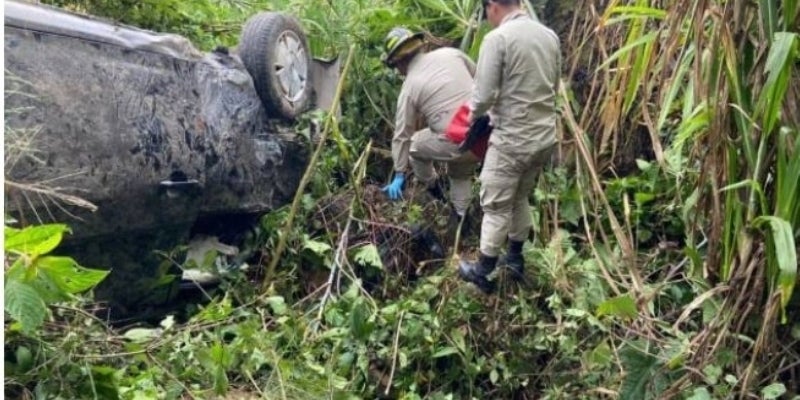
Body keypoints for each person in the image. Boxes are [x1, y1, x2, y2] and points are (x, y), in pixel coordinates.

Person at [457, 0, 561, 293]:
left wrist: (463, 122)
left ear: (491, 6)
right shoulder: (548, 35)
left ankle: (483, 270)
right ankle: (514, 259)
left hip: (513, 141)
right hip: (543, 137)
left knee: (495, 203)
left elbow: (482, 97)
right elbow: (551, 84)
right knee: (519, 197)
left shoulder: (498, 38)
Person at [380, 27, 481, 226]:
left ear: (398, 62)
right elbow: (482, 80)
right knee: (460, 172)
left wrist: (400, 173)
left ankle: (434, 186)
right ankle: (462, 219)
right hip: (483, 135)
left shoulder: (409, 87)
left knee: (414, 145)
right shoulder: (453, 54)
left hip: (455, 142)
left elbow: (402, 135)